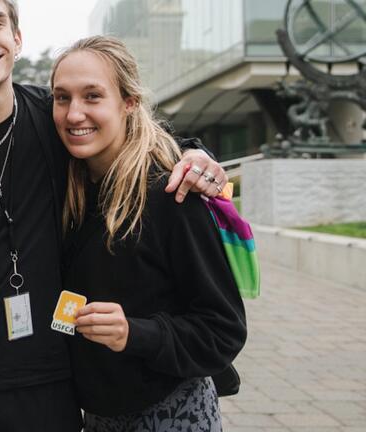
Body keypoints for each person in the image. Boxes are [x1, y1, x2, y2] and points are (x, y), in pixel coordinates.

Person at [0, 0, 229, 430]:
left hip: (48, 392)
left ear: (17, 39)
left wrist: (196, 153)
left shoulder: (56, 119)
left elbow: (127, 128)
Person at [52, 35, 247, 431]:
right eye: (61, 97)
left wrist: (135, 333)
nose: (74, 114)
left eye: (93, 96)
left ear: (129, 103)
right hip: (96, 415)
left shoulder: (172, 194)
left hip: (170, 413)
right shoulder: (63, 179)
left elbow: (223, 329)